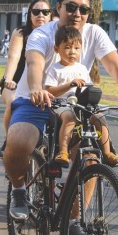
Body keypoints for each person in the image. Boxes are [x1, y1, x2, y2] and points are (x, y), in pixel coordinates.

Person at [3, 0, 118, 235]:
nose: (77, 13)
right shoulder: (42, 34)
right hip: (36, 98)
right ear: (58, 7)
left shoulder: (95, 33)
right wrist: (36, 88)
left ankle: (74, 220)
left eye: (84, 9)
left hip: (76, 104)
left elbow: (115, 66)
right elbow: (34, 63)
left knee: (91, 156)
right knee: (17, 144)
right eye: (71, 6)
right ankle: (18, 190)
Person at [0, 0, 53, 158]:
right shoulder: (21, 33)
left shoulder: (56, 33)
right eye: (36, 12)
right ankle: (10, 140)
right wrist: (8, 79)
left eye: (45, 12)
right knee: (13, 101)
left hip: (43, 84)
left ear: (51, 15)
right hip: (15, 83)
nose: (40, 15)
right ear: (29, 15)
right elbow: (13, 58)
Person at [45, 25, 90, 164]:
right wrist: (70, 84)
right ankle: (63, 151)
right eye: (67, 47)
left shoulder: (82, 68)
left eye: (76, 48)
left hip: (79, 105)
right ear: (57, 49)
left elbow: (88, 87)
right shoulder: (55, 69)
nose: (72, 52)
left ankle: (108, 152)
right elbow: (49, 91)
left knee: (99, 117)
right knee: (70, 117)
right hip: (61, 105)